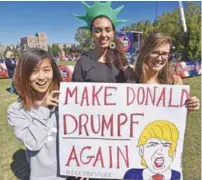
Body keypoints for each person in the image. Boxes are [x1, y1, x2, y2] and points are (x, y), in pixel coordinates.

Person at [7, 49, 66, 180]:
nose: (41, 77)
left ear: (53, 72)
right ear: (24, 75)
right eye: (34, 71)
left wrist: (84, 167)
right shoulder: (16, 110)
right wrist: (43, 108)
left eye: (46, 70)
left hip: (72, 172)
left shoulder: (67, 99)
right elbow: (33, 143)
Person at [127, 32, 200, 111]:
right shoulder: (129, 77)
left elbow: (178, 117)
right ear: (146, 53)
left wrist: (190, 106)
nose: (159, 58)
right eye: (155, 52)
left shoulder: (174, 81)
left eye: (164, 54)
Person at [72, 1, 132, 83]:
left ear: (113, 33)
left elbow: (131, 86)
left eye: (108, 30)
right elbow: (76, 93)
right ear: (91, 34)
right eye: (98, 30)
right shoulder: (82, 63)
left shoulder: (120, 60)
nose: (103, 35)